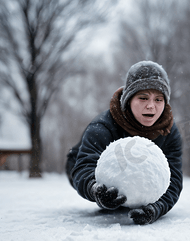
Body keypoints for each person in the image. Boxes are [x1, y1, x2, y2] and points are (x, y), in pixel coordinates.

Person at [66, 61, 183, 225]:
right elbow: (84, 166)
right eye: (143, 98)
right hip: (78, 162)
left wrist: (156, 208)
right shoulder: (102, 127)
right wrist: (95, 190)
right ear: (128, 100)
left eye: (158, 99)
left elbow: (174, 180)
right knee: (84, 171)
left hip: (136, 170)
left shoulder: (168, 131)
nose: (151, 106)